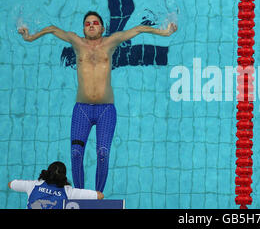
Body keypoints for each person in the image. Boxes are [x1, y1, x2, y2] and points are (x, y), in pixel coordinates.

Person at [18, 11, 177, 192]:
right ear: (84, 28)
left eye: (95, 22)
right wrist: (30, 37)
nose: (91, 25)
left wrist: (164, 32)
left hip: (106, 111)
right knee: (76, 154)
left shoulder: (111, 42)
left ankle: (97, 195)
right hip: (82, 111)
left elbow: (139, 29)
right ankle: (79, 194)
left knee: (102, 153)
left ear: (102, 28)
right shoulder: (76, 42)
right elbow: (53, 29)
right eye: (87, 23)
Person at [8, 161, 103, 209]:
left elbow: (11, 184)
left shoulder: (32, 185)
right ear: (64, 176)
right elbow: (100, 196)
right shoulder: (69, 192)